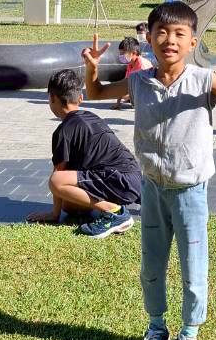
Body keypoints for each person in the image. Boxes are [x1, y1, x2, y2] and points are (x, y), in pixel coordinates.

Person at [83, 4, 216, 340]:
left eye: (179, 34)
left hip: (190, 191)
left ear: (193, 42)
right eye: (161, 32)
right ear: (149, 37)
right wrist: (92, 68)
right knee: (152, 266)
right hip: (152, 188)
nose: (170, 40)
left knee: (193, 268)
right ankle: (156, 329)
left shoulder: (203, 79)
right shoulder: (138, 81)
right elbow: (94, 92)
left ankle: (189, 336)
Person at [27, 68, 142, 233]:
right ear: (80, 98)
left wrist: (54, 214)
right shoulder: (92, 117)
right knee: (70, 205)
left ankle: (115, 213)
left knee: (56, 181)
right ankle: (113, 204)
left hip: (119, 180)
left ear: (52, 98)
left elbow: (58, 174)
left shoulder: (64, 131)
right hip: (134, 178)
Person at [113, 36, 150, 110]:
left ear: (134, 53)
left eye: (123, 53)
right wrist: (118, 103)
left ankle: (135, 101)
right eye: (120, 53)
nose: (121, 56)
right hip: (137, 90)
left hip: (147, 94)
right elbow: (124, 82)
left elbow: (146, 88)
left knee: (127, 94)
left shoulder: (142, 66)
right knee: (119, 91)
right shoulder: (130, 64)